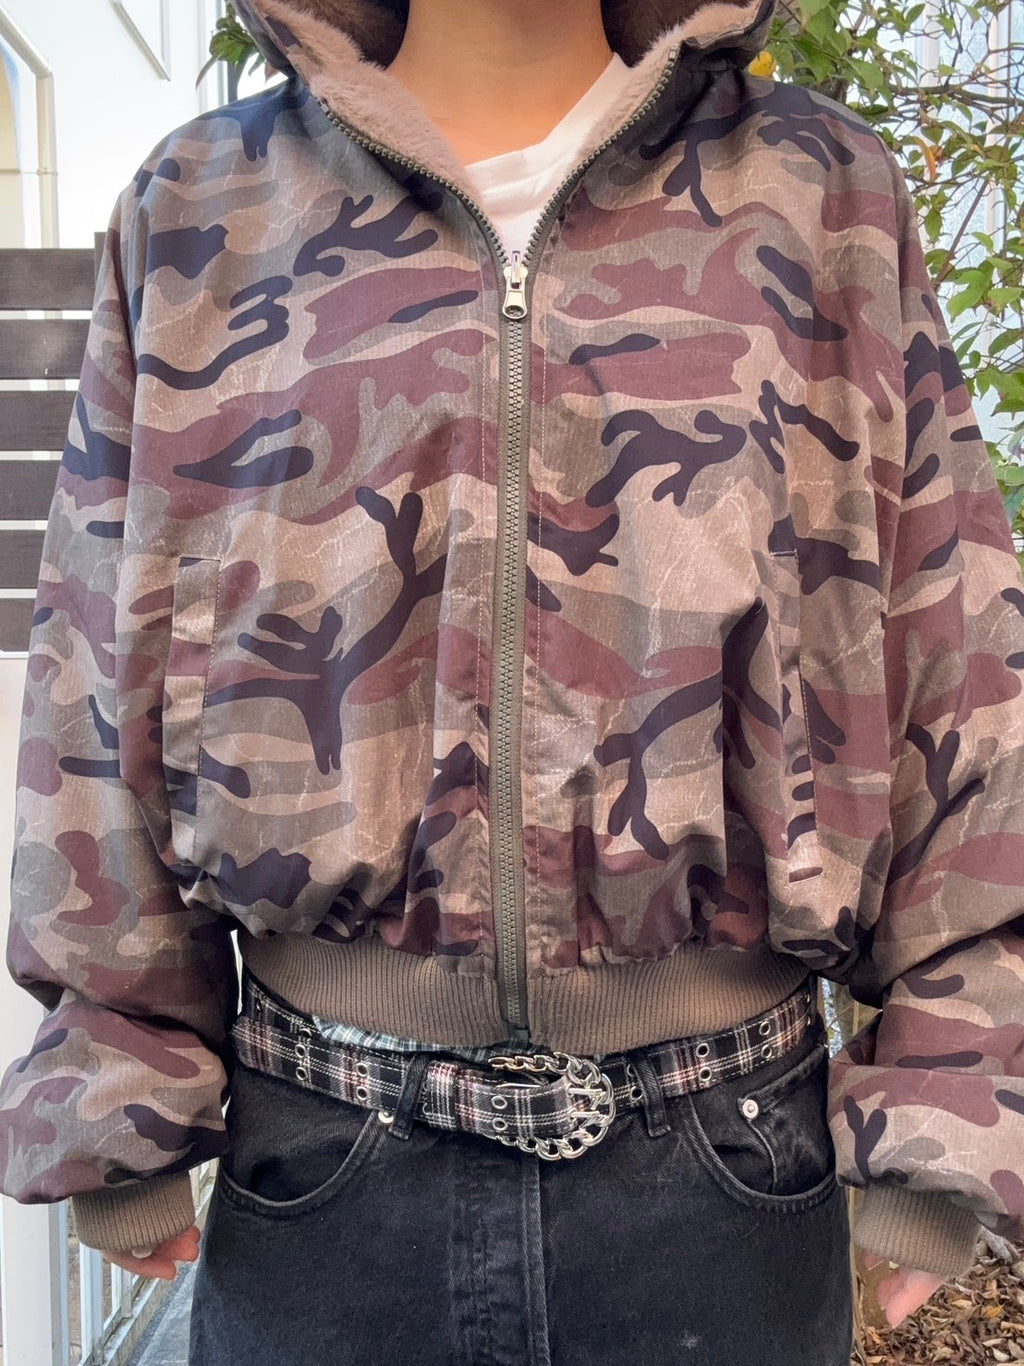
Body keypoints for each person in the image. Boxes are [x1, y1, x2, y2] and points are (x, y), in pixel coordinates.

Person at [1, 0, 1023, 1360]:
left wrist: (952, 1081)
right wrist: (115, 1075)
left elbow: (947, 640)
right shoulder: (201, 205)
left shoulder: (820, 192)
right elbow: (99, 647)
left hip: (724, 1178)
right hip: (319, 1179)